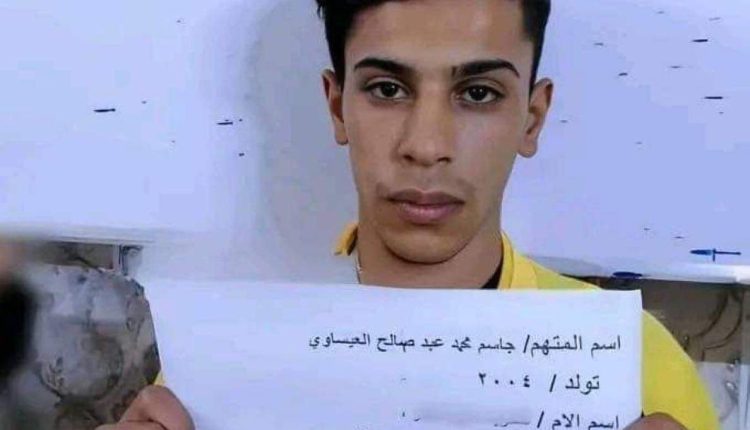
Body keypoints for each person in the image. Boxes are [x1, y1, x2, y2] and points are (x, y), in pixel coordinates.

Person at [99, 1, 718, 429]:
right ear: (337, 107)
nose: (426, 145)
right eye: (387, 89)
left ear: (531, 119)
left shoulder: (641, 368)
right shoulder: (220, 357)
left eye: (478, 93)